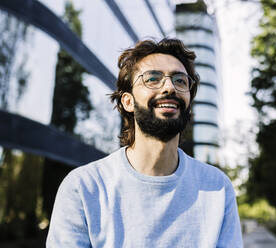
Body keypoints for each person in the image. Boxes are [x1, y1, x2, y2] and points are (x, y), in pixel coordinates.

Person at [46, 38, 243, 247]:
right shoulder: (84, 187)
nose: (169, 87)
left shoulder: (217, 187)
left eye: (180, 80)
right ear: (128, 101)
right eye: (152, 78)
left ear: (189, 105)